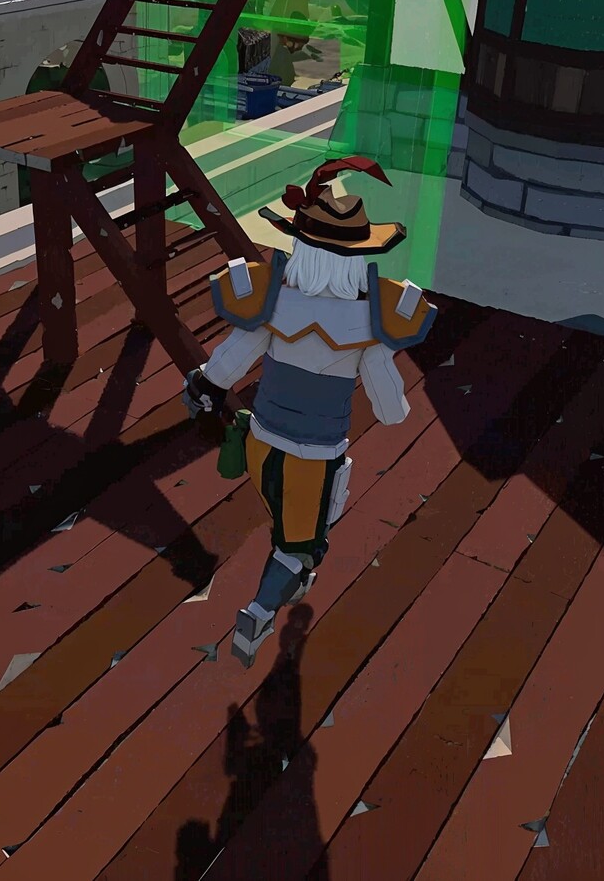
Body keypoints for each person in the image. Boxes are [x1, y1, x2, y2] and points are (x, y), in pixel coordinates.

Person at [184, 156, 436, 666]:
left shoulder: (273, 302)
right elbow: (391, 413)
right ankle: (258, 614)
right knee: (298, 544)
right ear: (358, 258)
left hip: (259, 446)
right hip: (313, 461)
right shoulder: (369, 325)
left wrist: (204, 386)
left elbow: (225, 366)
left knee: (286, 522)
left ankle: (293, 576)